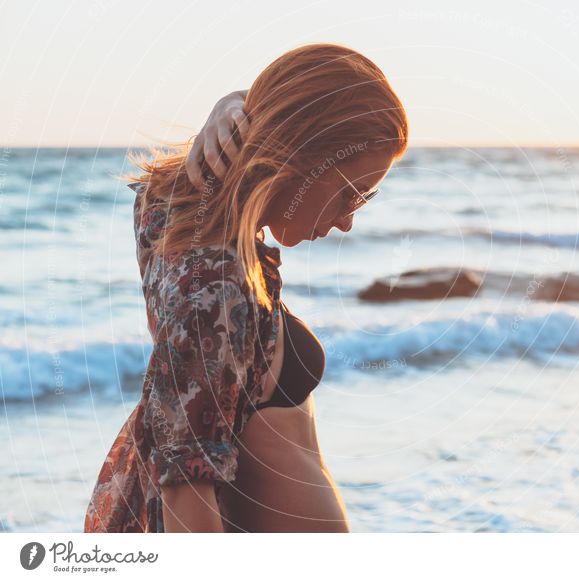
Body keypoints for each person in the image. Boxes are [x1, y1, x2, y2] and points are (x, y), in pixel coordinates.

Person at [84, 42, 409, 532]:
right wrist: (234, 109)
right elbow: (185, 492)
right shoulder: (212, 288)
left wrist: (233, 106)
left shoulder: (182, 229)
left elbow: (276, 126)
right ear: (301, 155)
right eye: (349, 193)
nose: (347, 221)